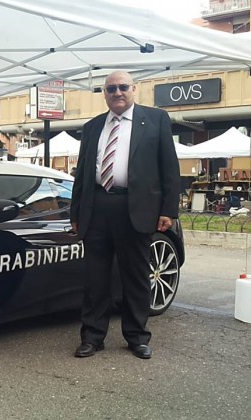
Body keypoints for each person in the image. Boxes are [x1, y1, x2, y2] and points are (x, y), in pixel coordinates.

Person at [70, 70, 180, 360]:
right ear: (104, 93)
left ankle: (137, 337)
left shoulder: (155, 120)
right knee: (95, 279)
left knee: (136, 277)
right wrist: (76, 212)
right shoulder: (93, 126)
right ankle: (92, 337)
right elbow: (82, 173)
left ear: (134, 89)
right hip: (97, 207)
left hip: (136, 207)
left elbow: (169, 168)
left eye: (122, 87)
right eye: (110, 88)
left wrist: (169, 210)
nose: (117, 93)